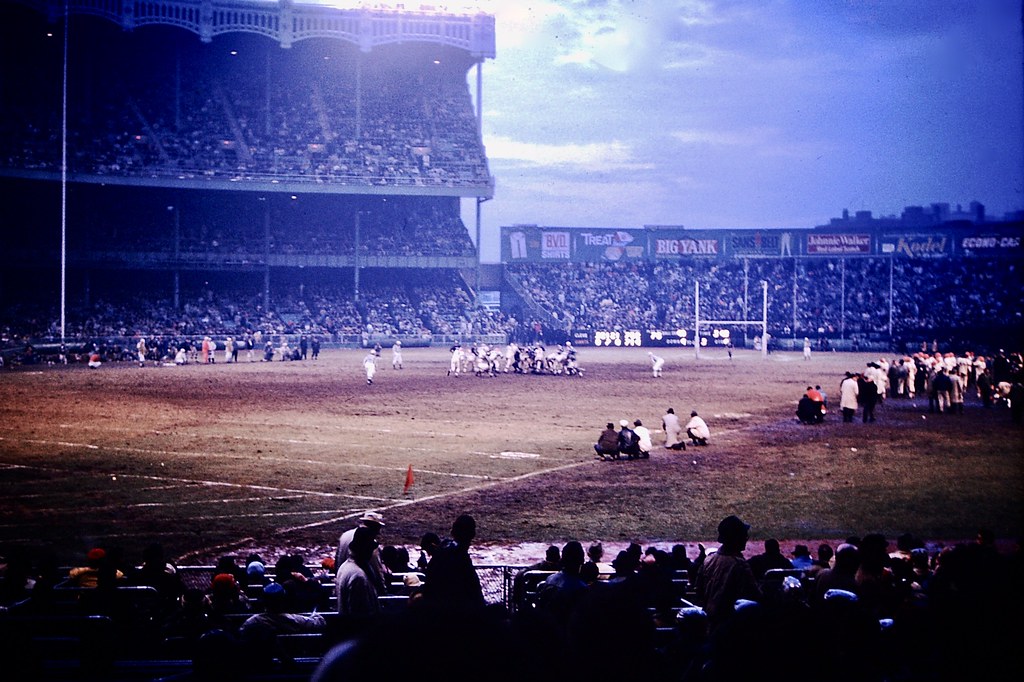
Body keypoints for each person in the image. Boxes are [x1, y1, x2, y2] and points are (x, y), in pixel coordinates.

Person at [694, 514, 761, 634]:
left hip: (709, 623)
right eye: (742, 535)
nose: (746, 537)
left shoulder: (708, 559)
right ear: (736, 538)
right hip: (730, 628)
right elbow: (756, 596)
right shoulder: (739, 564)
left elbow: (698, 590)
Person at [424, 513, 485, 610]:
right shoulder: (462, 559)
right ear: (473, 534)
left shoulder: (441, 552)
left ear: (452, 532)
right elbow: (474, 593)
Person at [335, 511, 389, 597]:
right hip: (361, 586)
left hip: (342, 580)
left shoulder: (344, 536)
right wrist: (383, 591)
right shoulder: (369, 542)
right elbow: (376, 570)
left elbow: (337, 559)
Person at [334, 526, 382, 620]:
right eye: (369, 549)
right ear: (364, 549)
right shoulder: (358, 576)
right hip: (359, 630)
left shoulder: (345, 567)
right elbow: (360, 614)